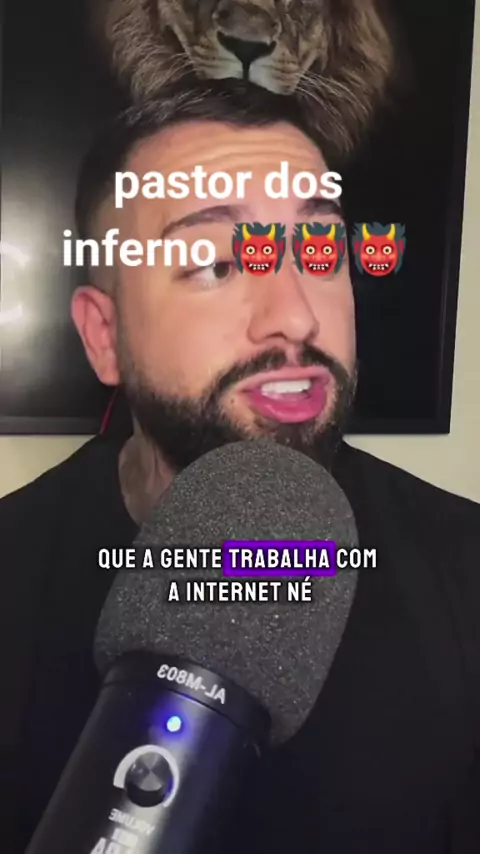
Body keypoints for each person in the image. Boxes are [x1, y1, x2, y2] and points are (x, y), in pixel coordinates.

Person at [1, 80, 479, 854]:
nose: (295, 315)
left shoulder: (464, 568)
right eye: (218, 262)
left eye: (321, 251)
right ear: (104, 335)